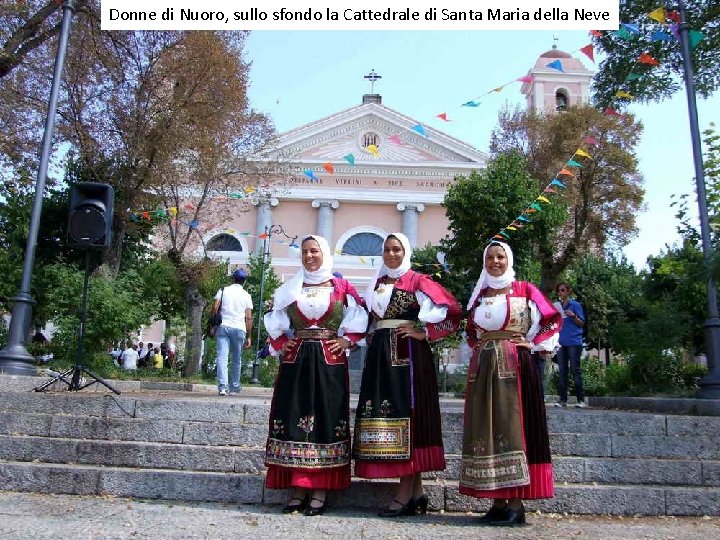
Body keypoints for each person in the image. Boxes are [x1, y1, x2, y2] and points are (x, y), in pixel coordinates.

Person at [354, 232, 462, 517]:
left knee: (408, 413)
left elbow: (453, 311)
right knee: (388, 413)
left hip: (408, 357)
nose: (391, 254)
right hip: (380, 356)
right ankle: (417, 492)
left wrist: (424, 332)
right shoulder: (377, 282)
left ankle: (404, 493)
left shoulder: (418, 281)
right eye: (387, 250)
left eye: (396, 249)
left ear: (406, 252)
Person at [263, 235, 368, 517]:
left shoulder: (341, 286)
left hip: (329, 362)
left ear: (325, 253)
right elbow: (274, 319)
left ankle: (320, 489)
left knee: (326, 418)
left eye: (315, 251)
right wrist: (278, 343)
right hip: (295, 361)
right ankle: (297, 489)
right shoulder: (290, 288)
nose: (309, 256)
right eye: (306, 251)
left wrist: (348, 341)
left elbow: (362, 316)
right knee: (294, 416)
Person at [461, 241, 561, 526]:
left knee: (513, 427)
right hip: (483, 370)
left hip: (515, 367)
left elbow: (552, 320)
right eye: (490, 257)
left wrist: (532, 343)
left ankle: (516, 503)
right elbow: (470, 330)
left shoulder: (525, 290)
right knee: (487, 429)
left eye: (500, 256)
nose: (495, 262)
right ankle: (498, 501)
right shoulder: (480, 295)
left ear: (509, 259)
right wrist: (480, 348)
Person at [211, 268, 254, 396]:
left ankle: (223, 387)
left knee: (222, 357)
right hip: (239, 328)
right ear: (244, 281)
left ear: (232, 279)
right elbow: (249, 317)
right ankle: (234, 387)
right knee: (237, 359)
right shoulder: (246, 295)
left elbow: (214, 307)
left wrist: (213, 324)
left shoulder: (223, 290)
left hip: (223, 326)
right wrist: (249, 336)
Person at [554, 282, 587, 408]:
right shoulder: (557, 307)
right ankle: (563, 400)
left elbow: (582, 324)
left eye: (563, 290)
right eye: (559, 290)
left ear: (568, 291)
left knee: (575, 370)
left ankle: (581, 400)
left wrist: (573, 316)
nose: (561, 292)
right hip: (560, 342)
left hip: (574, 342)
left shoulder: (576, 305)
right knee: (562, 371)